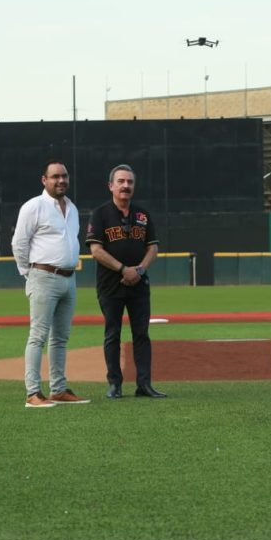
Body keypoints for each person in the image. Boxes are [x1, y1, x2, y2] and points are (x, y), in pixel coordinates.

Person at [11, 159, 90, 408]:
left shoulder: (73, 208)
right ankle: (33, 393)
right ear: (44, 180)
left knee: (61, 338)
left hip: (69, 277)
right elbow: (19, 243)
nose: (61, 180)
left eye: (64, 176)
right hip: (43, 275)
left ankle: (58, 389)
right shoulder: (34, 206)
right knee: (38, 336)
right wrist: (29, 272)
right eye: (55, 176)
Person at [85, 164, 166, 400]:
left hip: (139, 284)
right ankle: (115, 384)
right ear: (111, 185)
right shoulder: (100, 214)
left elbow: (153, 248)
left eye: (130, 182)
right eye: (121, 181)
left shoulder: (142, 215)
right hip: (111, 284)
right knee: (113, 333)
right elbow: (96, 250)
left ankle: (144, 384)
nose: (126, 186)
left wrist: (138, 270)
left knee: (141, 334)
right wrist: (123, 269)